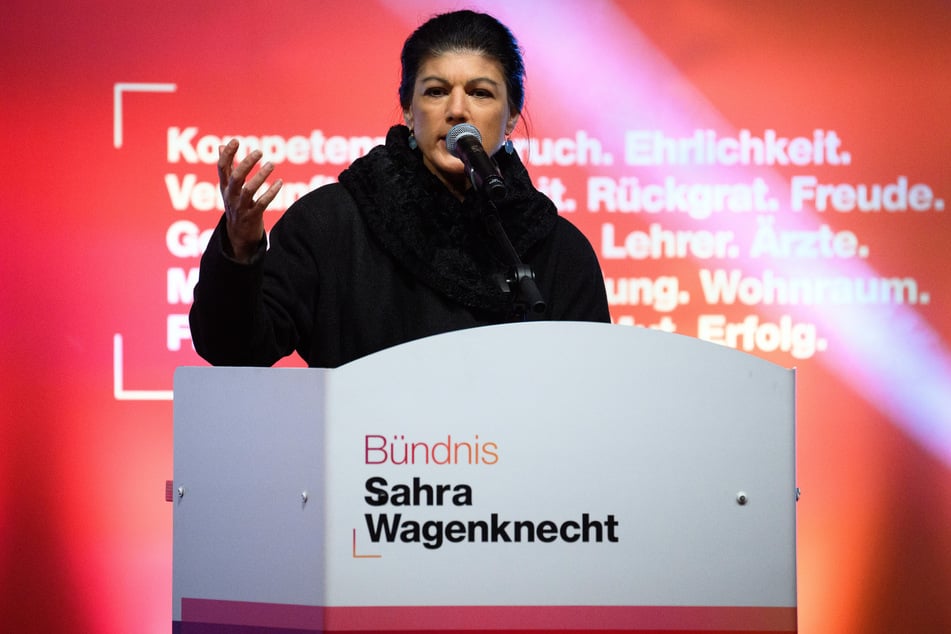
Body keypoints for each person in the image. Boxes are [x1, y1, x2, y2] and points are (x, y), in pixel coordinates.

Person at [189, 10, 610, 368]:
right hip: (373, 462)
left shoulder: (558, 251)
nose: (457, 110)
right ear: (409, 110)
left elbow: (591, 394)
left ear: (512, 117)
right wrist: (239, 251)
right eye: (436, 92)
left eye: (480, 93)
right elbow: (233, 350)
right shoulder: (332, 224)